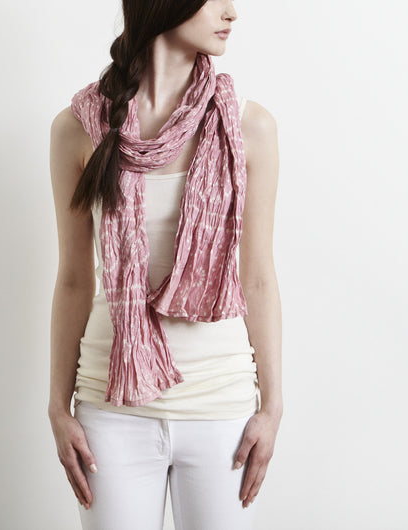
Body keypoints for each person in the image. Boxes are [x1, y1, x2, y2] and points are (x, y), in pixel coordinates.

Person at [48, 1, 282, 528]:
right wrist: (58, 407)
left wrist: (272, 407)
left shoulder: (248, 126)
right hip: (111, 407)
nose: (232, 12)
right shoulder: (77, 129)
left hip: (221, 407)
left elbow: (258, 277)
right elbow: (75, 280)